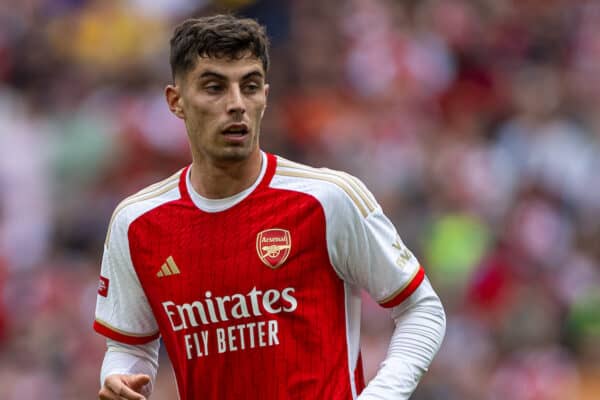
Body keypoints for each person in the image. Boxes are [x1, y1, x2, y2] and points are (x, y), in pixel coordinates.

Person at [94, 14, 446, 400]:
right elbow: (128, 348)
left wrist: (382, 395)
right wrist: (118, 379)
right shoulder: (137, 223)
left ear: (266, 95)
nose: (236, 104)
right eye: (214, 87)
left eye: (250, 86)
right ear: (176, 101)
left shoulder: (327, 198)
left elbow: (421, 309)